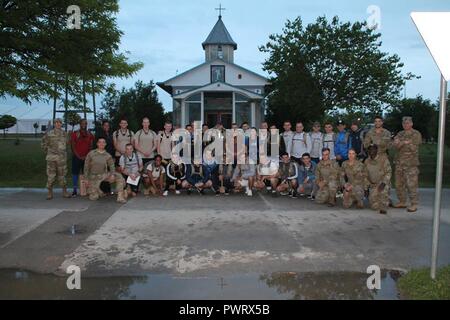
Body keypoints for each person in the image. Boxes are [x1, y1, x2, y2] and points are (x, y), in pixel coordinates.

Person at [392, 116, 422, 213]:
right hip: (399, 163)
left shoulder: (416, 134)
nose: (406, 125)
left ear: (411, 124)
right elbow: (396, 145)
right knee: (398, 184)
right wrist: (405, 142)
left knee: (411, 184)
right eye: (404, 123)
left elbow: (414, 147)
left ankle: (414, 204)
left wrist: (402, 143)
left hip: (411, 164)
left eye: (408, 123)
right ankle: (402, 201)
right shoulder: (400, 133)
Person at [84, 137, 126, 203]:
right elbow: (86, 167)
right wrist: (86, 179)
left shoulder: (107, 155)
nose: (101, 144)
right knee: (94, 197)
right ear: (97, 144)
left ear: (105, 144)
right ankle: (98, 190)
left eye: (103, 142)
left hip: (103, 175)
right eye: (100, 142)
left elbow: (112, 166)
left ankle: (120, 196)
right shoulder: (91, 153)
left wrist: (112, 175)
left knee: (119, 176)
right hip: (93, 177)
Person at [41, 118, 71, 200]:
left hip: (61, 159)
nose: (58, 124)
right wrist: (48, 152)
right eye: (56, 122)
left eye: (60, 122)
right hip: (52, 159)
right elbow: (44, 144)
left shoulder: (65, 134)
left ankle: (64, 192)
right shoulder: (49, 134)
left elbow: (67, 144)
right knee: (51, 176)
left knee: (62, 176)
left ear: (62, 124)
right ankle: (49, 192)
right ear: (54, 124)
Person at [365, 144, 392, 214]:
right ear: (368, 151)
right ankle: (382, 199)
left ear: (377, 150)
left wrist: (384, 183)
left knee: (383, 193)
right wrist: (366, 188)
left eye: (373, 149)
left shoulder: (383, 159)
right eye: (370, 149)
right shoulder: (367, 161)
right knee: (374, 207)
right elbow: (365, 175)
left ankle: (385, 204)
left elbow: (389, 172)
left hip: (383, 183)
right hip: (373, 185)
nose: (372, 151)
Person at [70, 118, 94, 197]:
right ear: (80, 124)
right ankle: (74, 190)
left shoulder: (89, 134)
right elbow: (73, 146)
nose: (84, 125)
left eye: (85, 123)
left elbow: (91, 146)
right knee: (75, 173)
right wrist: (79, 156)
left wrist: (86, 156)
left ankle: (86, 190)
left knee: (86, 173)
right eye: (82, 123)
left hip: (86, 157)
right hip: (77, 157)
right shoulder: (75, 133)